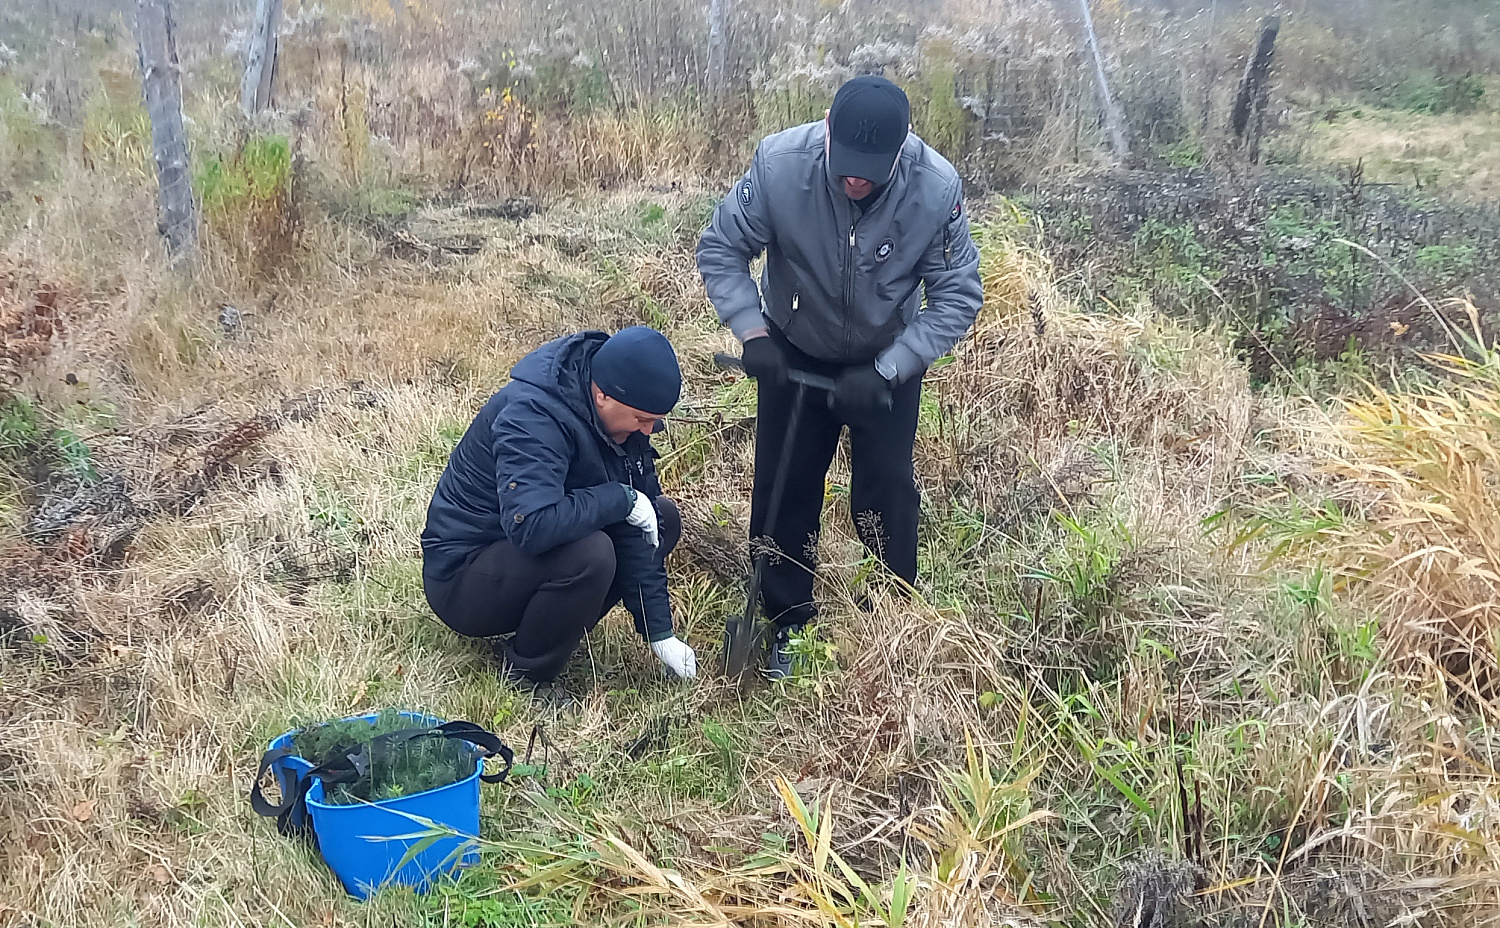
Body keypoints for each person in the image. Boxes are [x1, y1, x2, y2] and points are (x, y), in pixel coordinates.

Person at [696, 75, 984, 678]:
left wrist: (890, 369)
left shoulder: (934, 189)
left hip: (886, 361)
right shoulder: (780, 166)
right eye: (847, 165)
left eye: (871, 171)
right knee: (784, 490)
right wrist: (753, 333)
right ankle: (788, 627)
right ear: (827, 126)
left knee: (887, 492)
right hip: (793, 350)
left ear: (903, 146)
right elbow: (722, 248)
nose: (856, 181)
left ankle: (893, 618)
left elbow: (956, 294)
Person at [420, 326, 698, 686]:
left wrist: (659, 633)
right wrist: (619, 499)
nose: (647, 431)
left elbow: (636, 524)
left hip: (518, 561)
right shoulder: (532, 415)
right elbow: (531, 525)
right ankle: (527, 674)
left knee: (661, 520)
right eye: (642, 420)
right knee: (593, 554)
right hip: (464, 576)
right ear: (602, 396)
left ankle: (550, 628)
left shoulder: (622, 421)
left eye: (654, 421)